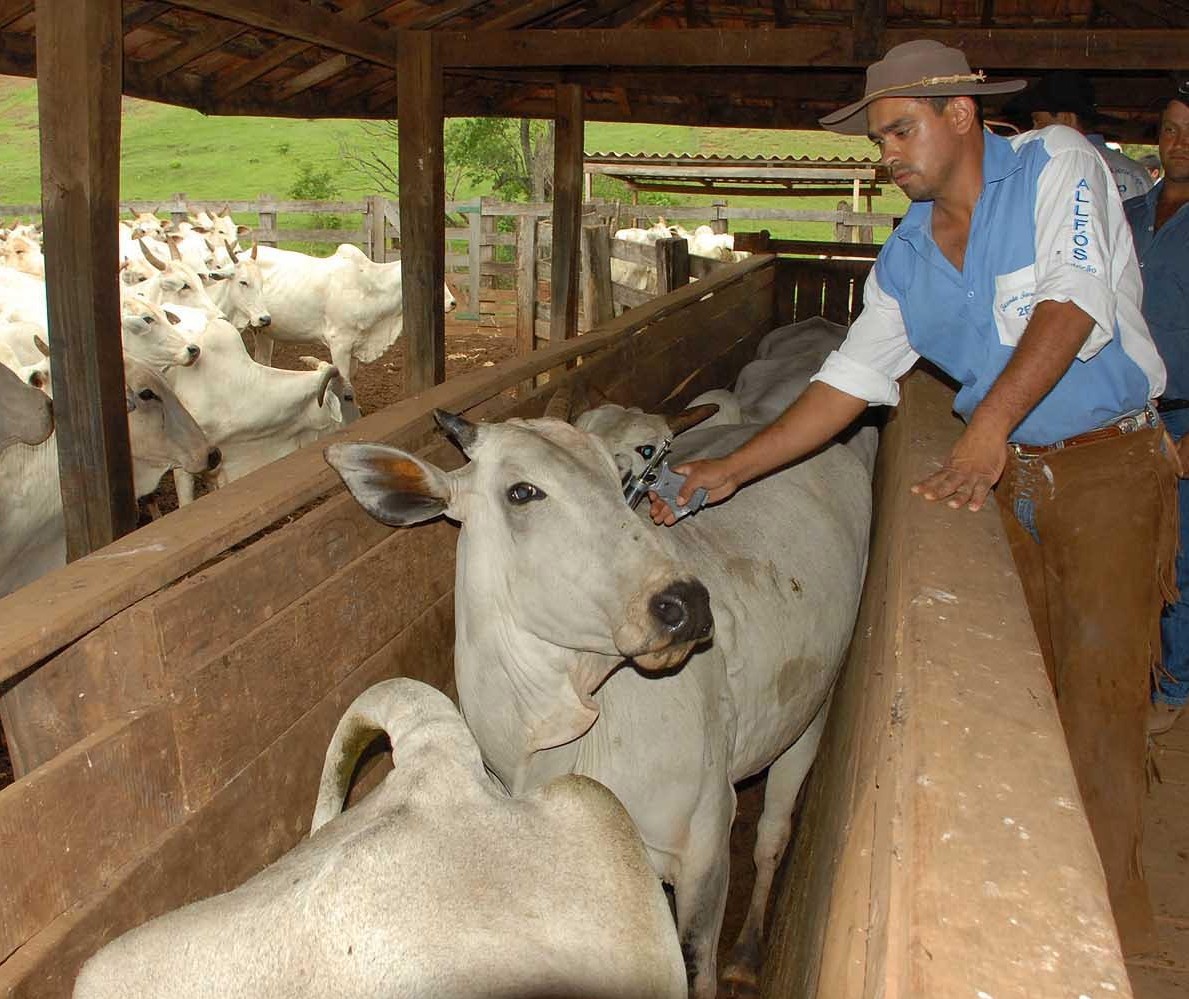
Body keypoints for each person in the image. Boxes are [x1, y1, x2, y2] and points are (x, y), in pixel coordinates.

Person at [651, 39, 1178, 956]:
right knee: (1029, 699)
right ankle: (1026, 909)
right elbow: (847, 381)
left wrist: (985, 429)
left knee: (1097, 711)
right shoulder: (902, 257)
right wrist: (729, 469)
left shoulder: (1059, 165)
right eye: (877, 139)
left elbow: (1074, 300)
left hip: (1103, 470)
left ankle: (1112, 941)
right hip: (1006, 480)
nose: (885, 153)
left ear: (961, 114)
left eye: (899, 130)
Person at [1126, 84, 1189, 737]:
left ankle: (1173, 685)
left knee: (1179, 555)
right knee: (1126, 545)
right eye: (1170, 129)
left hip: (1181, 414)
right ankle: (1129, 667)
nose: (1178, 144)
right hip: (1123, 409)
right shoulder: (1127, 212)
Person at [1004, 69, 1153, 201]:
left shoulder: (1048, 170)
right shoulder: (1135, 174)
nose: (1034, 130)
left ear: (1066, 118)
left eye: (1038, 121)